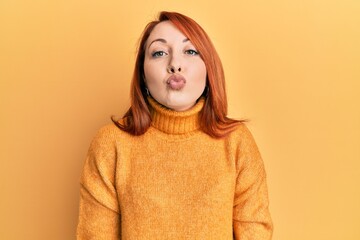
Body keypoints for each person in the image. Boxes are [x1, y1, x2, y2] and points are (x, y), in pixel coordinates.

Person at [76, 11, 273, 240]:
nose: (175, 64)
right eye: (159, 53)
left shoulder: (237, 142)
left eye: (190, 51)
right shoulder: (111, 144)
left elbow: (256, 233)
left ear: (209, 68)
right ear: (142, 75)